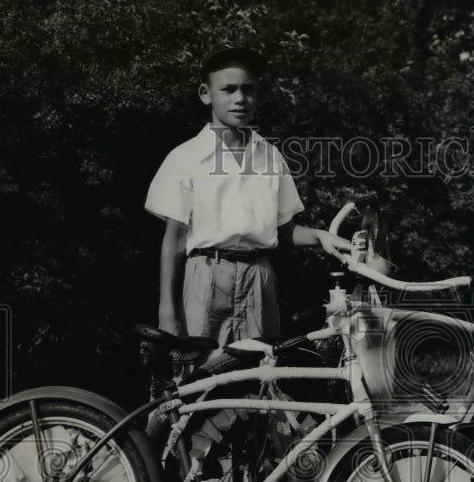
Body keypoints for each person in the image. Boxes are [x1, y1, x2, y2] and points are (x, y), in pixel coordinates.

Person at [145, 45, 346, 351]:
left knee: (261, 377)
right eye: (228, 89)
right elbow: (174, 240)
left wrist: (320, 237)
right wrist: (167, 311)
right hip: (206, 278)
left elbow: (282, 228)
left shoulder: (270, 156)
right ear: (205, 93)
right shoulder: (185, 158)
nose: (240, 99)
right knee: (201, 382)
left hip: (259, 281)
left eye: (248, 90)